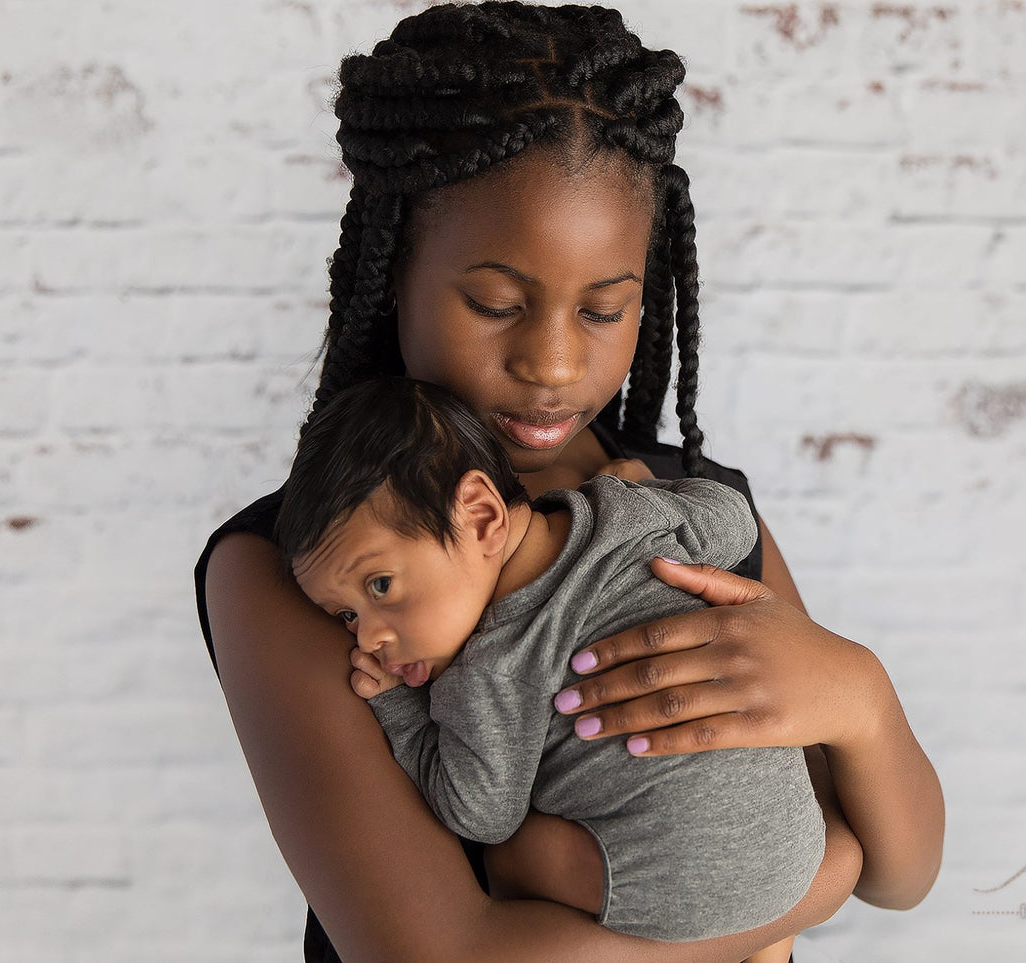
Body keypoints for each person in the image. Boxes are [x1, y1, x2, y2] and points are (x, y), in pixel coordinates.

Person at [192, 3, 945, 961]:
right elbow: (441, 957)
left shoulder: (680, 515)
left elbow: (900, 873)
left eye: (603, 309)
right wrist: (805, 892)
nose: (551, 363)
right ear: (392, 276)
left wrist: (862, 699)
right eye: (496, 303)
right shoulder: (314, 575)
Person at [273, 375, 827, 948]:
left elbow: (479, 815)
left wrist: (402, 709)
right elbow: (735, 522)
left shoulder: (488, 670)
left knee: (513, 852)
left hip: (673, 886)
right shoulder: (624, 516)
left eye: (380, 585)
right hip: (799, 847)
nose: (369, 638)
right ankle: (766, 942)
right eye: (345, 616)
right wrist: (655, 492)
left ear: (484, 517)